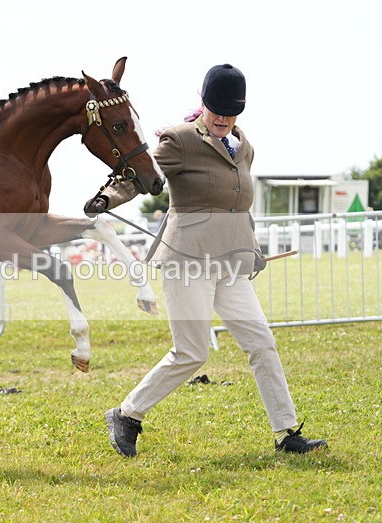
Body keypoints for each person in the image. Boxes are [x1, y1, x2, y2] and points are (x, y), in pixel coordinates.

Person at [84, 64, 327, 456]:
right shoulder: (179, 140)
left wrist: (252, 250)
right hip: (188, 261)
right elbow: (139, 175)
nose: (223, 119)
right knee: (192, 352)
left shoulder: (243, 145)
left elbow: (237, 205)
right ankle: (127, 414)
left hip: (230, 265)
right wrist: (106, 199)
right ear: (203, 102)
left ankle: (286, 434)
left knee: (262, 343)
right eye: (217, 110)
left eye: (231, 113)